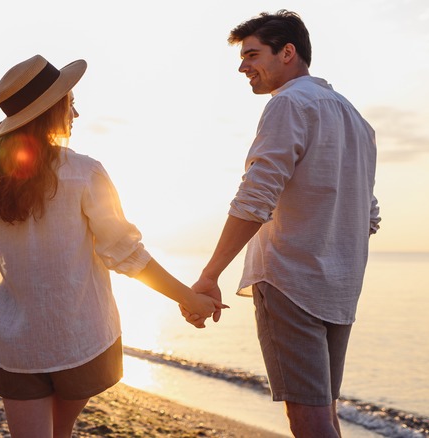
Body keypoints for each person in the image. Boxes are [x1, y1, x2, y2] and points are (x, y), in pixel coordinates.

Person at [0, 54, 226, 438]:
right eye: (70, 103)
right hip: (76, 332)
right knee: (61, 432)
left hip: (16, 338)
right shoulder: (82, 173)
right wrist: (188, 297)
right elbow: (125, 254)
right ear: (50, 111)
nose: (76, 114)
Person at [180, 10, 381, 438]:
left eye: (252, 54)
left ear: (288, 53)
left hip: (292, 281)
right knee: (324, 413)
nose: (242, 66)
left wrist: (209, 274)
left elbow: (256, 198)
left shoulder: (288, 103)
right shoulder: (356, 120)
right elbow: (370, 215)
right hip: (340, 289)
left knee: (308, 420)